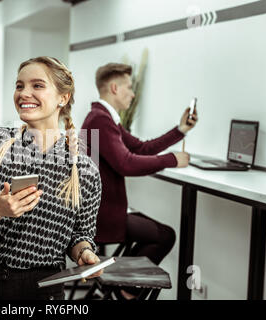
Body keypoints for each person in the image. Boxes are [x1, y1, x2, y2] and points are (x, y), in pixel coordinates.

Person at [0, 56, 102, 300]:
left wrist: (84, 252)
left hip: (44, 290)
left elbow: (80, 235)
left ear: (62, 98)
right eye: (19, 85)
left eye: (37, 85)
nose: (24, 93)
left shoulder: (84, 170)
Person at [81, 62, 198, 299]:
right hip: (100, 215)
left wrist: (181, 130)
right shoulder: (100, 120)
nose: (133, 94)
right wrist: (171, 160)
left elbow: (141, 148)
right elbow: (126, 163)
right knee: (165, 235)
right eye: (129, 87)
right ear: (114, 88)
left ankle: (120, 287)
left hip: (103, 210)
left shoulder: (103, 118)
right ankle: (125, 289)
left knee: (156, 233)